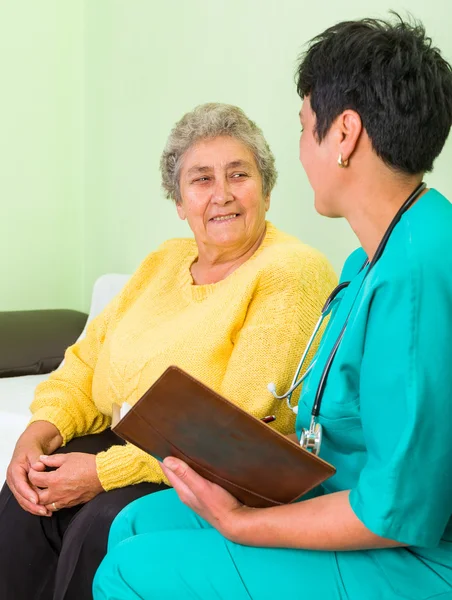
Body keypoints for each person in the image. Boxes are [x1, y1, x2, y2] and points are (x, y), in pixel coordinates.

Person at [93, 16, 452, 600]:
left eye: (306, 127)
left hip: (415, 554)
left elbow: (394, 512)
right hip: (348, 500)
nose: (301, 149)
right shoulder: (369, 261)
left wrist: (245, 523)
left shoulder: (417, 270)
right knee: (132, 523)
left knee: (128, 570)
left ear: (345, 135)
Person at [0, 103, 336, 600]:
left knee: (101, 523)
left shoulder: (290, 272)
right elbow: (88, 358)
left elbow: (235, 428)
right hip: (130, 444)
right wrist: (39, 430)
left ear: (266, 188)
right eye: (201, 179)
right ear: (179, 201)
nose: (222, 194)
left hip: (212, 471)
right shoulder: (165, 260)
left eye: (238, 174)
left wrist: (101, 473)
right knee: (26, 493)